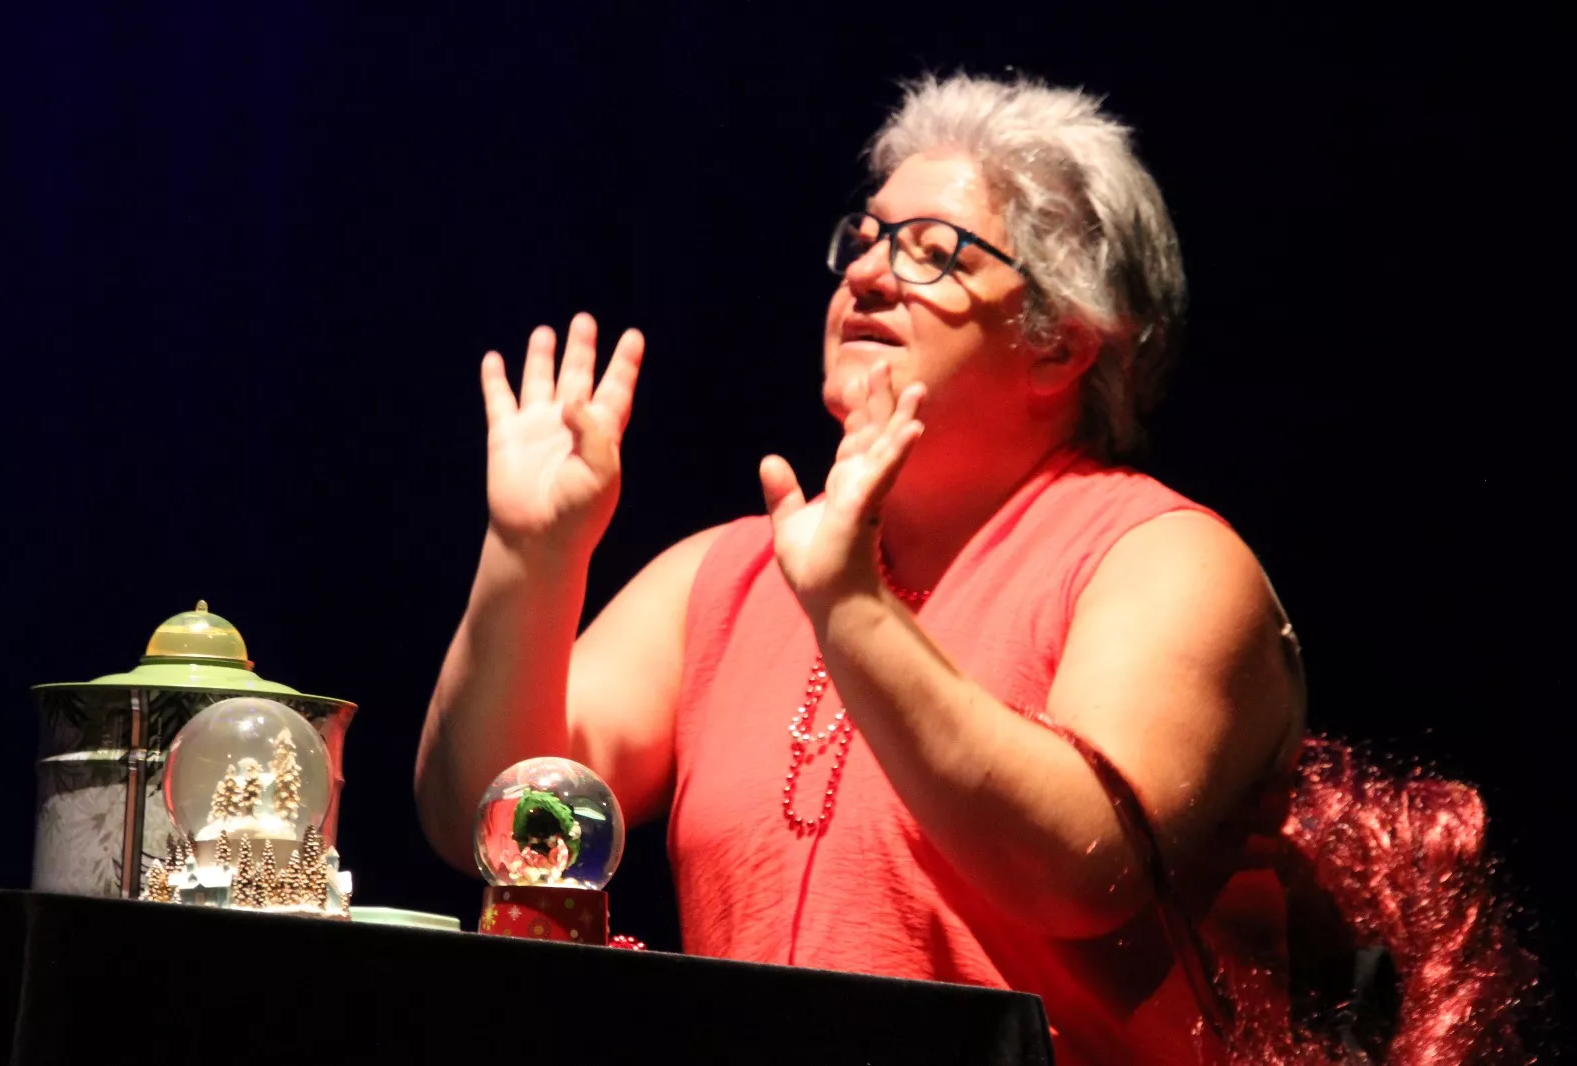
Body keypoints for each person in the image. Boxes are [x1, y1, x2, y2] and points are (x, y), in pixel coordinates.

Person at [414, 74, 1532, 1064]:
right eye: (864, 238)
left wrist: (852, 612)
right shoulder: (726, 577)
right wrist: (532, 556)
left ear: (1063, 342)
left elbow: (1076, 872)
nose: (869, 274)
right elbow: (489, 820)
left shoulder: (1162, 560)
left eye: (935, 252)